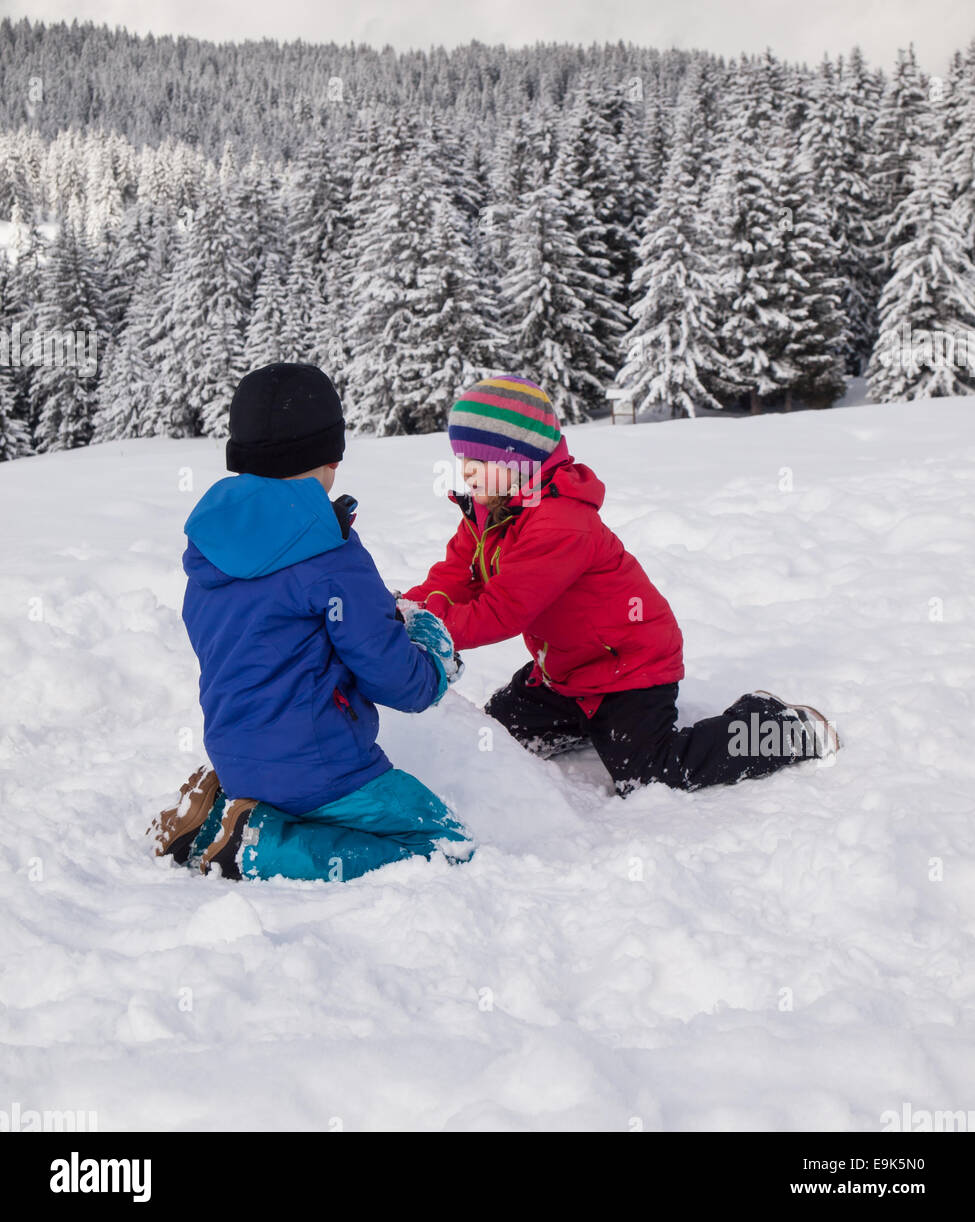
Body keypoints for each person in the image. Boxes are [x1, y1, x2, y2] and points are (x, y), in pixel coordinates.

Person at [401, 374, 839, 796]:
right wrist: (402, 610)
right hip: (567, 673)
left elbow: (500, 612)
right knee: (495, 736)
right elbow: (455, 576)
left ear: (518, 462)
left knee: (650, 773)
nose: (466, 474)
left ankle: (777, 727)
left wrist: (428, 627)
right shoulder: (489, 512)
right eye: (462, 461)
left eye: (476, 462)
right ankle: (582, 722)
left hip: (630, 669)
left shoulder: (559, 524)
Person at [148, 362, 472, 881]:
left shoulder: (211, 547)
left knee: (311, 804)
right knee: (445, 845)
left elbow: (267, 632)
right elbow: (398, 682)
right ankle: (258, 846)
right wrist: (431, 656)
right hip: (323, 768)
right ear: (331, 458)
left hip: (235, 755)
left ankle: (218, 819)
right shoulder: (329, 551)